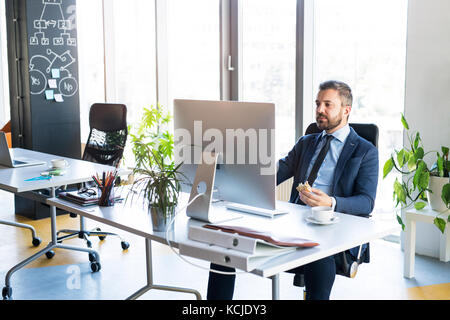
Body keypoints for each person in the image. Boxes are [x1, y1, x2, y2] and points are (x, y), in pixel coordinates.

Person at [206, 80, 379, 300]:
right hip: (293, 222)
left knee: (319, 259)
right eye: (317, 104)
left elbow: (366, 202)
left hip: (332, 228)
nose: (319, 110)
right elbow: (275, 173)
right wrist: (237, 170)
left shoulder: (365, 151)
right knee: (225, 247)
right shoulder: (306, 142)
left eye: (328, 104)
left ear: (346, 110)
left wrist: (331, 202)